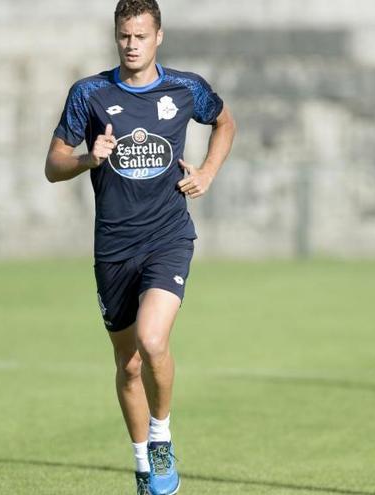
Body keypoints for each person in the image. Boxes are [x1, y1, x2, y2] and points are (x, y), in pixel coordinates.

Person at [44, 0, 235, 493]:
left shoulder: (184, 88)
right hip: (112, 248)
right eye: (124, 36)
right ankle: (142, 466)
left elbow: (225, 121)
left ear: (159, 37)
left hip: (168, 236)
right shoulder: (88, 94)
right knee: (127, 364)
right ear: (116, 36)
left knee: (153, 342)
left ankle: (162, 436)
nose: (132, 45)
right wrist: (89, 158)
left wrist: (209, 171)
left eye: (141, 36)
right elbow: (53, 165)